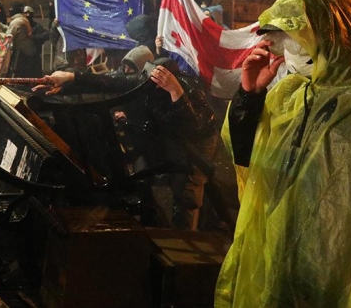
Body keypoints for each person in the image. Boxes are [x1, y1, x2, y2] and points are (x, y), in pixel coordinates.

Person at [215, 0, 351, 307]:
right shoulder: (291, 94)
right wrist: (250, 97)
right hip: (281, 259)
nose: (285, 52)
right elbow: (249, 163)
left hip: (339, 269)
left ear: (331, 34)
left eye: (294, 39)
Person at [36, 53, 218, 230]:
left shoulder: (190, 88)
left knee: (187, 189)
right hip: (169, 137)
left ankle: (187, 239)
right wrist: (69, 79)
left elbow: (195, 126)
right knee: (164, 177)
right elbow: (109, 82)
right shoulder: (146, 81)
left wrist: (176, 92)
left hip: (196, 142)